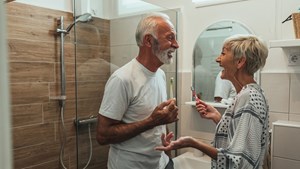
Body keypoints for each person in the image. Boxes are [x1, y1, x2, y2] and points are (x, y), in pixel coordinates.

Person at [156, 34, 269, 169]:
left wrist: (193, 142)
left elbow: (238, 162)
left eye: (223, 53)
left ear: (240, 62)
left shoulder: (249, 97)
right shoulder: (248, 94)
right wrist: (217, 117)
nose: (217, 59)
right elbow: (238, 136)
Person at [96, 12, 179, 169]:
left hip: (162, 163)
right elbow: (102, 135)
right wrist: (152, 121)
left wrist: (168, 156)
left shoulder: (160, 74)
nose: (176, 44)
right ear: (148, 40)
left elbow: (160, 119)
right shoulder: (122, 79)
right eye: (170, 38)